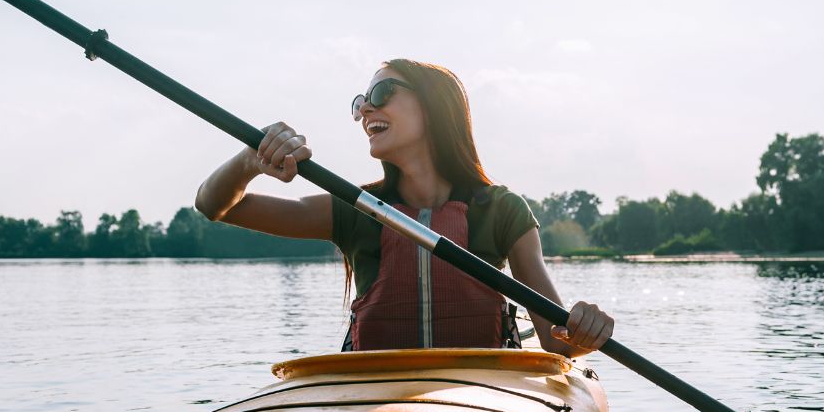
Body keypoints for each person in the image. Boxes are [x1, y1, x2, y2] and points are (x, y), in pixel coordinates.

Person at [195, 59, 614, 355]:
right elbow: (217, 206)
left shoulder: (503, 210)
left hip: (482, 397)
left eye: (381, 93)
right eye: (361, 101)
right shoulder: (352, 208)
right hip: (375, 400)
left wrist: (585, 329)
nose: (366, 110)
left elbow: (555, 340)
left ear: (435, 107)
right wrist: (250, 160)